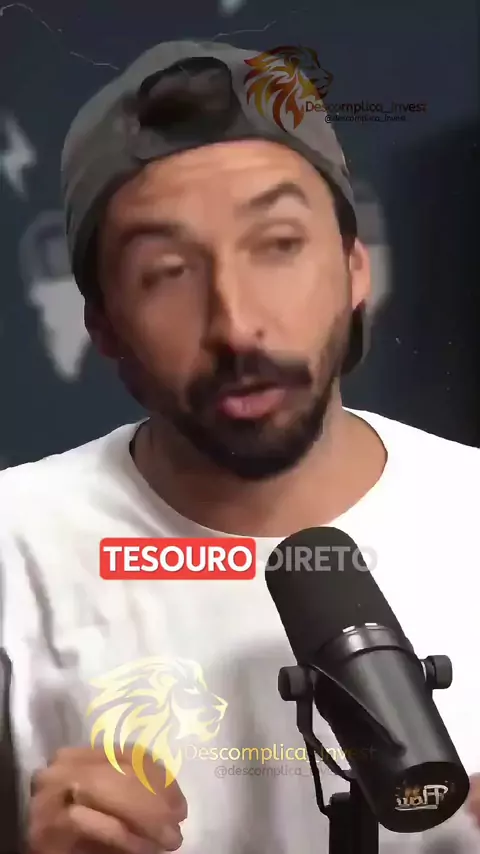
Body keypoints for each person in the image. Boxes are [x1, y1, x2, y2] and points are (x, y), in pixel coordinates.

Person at [0, 39, 479, 854]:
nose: (237, 324)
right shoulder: (17, 548)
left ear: (355, 267)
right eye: (166, 271)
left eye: (280, 244)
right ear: (103, 326)